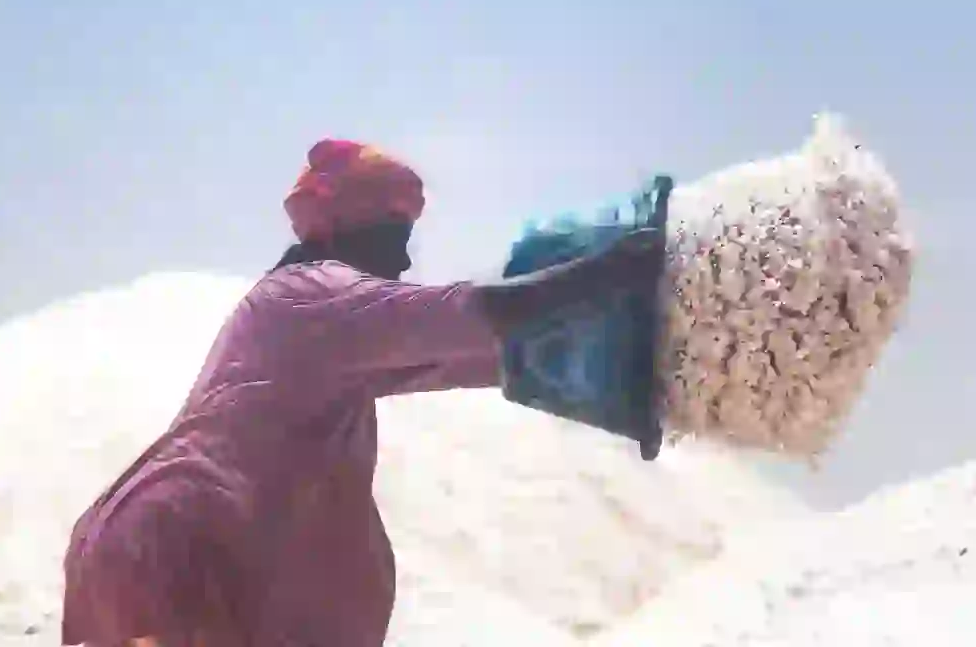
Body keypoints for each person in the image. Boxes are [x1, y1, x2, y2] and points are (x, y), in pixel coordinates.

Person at [60, 139, 664, 647]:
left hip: (161, 553)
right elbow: (463, 314)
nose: (405, 257)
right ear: (349, 227)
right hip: (180, 554)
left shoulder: (321, 330)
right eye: (394, 232)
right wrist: (605, 274)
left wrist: (622, 374)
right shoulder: (314, 294)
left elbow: (462, 356)